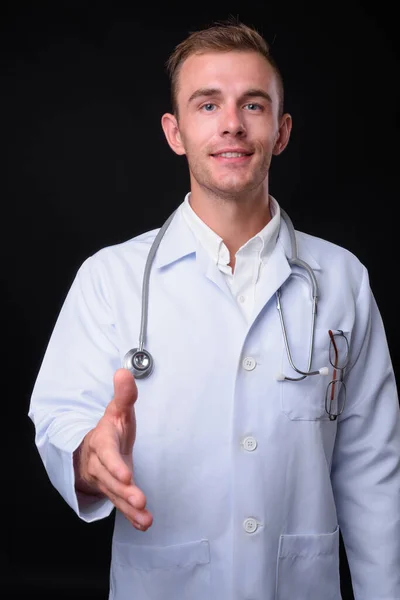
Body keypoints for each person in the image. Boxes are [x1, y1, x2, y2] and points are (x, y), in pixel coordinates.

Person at [28, 19, 400, 600]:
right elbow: (59, 418)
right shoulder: (111, 278)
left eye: (253, 104)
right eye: (207, 105)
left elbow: (373, 470)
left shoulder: (343, 280)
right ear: (174, 132)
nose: (231, 123)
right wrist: (88, 458)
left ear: (281, 131)